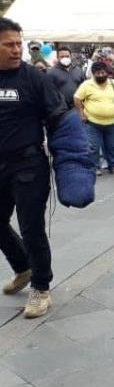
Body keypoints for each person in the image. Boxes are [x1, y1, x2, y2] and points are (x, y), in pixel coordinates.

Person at [0, 18, 67, 318]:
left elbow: (59, 119)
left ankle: (41, 287)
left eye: (19, 43)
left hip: (28, 164)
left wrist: (71, 162)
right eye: (9, 44)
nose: (17, 49)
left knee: (31, 227)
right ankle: (23, 267)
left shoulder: (34, 78)